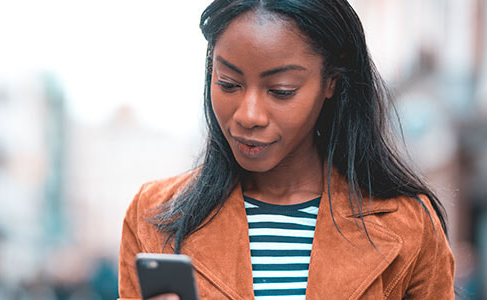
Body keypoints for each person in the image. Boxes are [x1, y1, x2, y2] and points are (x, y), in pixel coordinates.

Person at [118, 0, 455, 299]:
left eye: (281, 91)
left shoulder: (408, 223)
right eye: (228, 84)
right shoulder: (154, 215)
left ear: (331, 81)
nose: (248, 115)